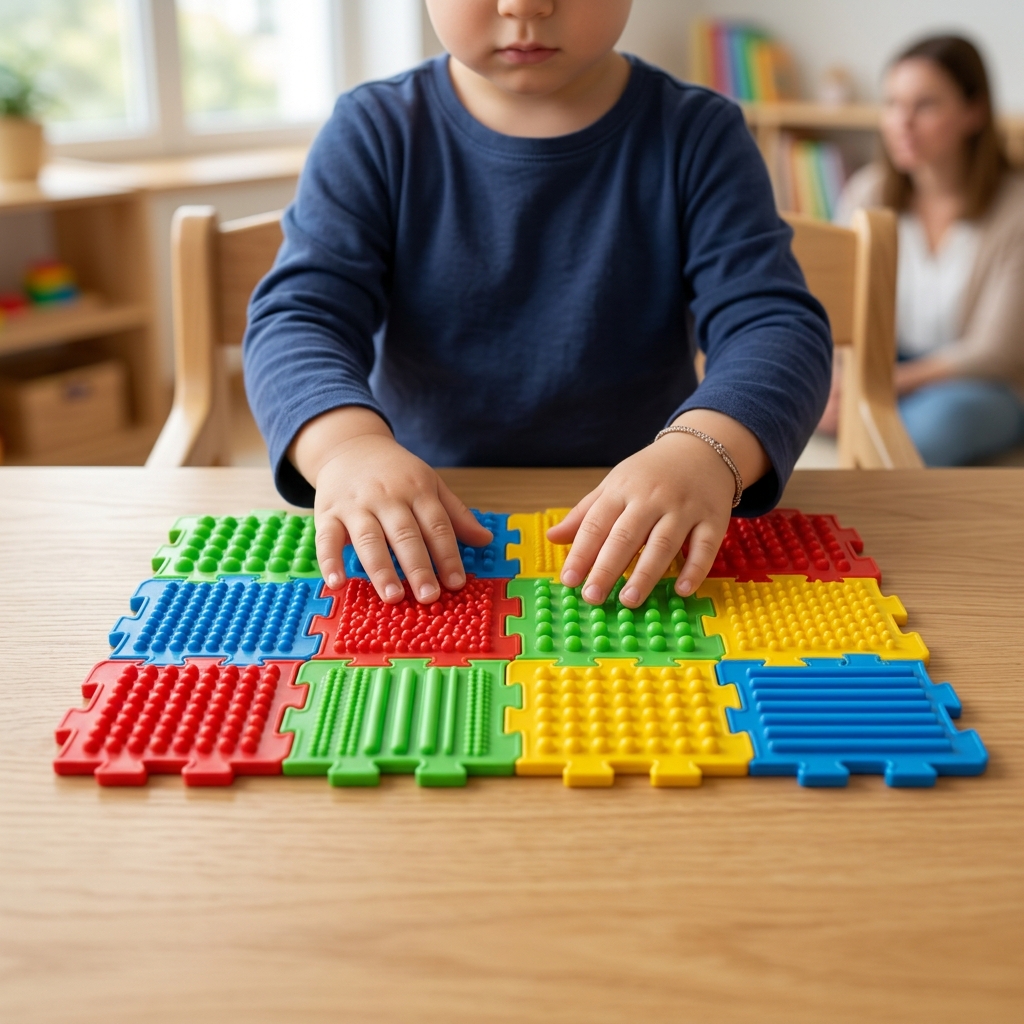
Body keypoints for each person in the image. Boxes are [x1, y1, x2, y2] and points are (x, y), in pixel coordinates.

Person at [243, 0, 831, 611]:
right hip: (423, 515)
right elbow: (300, 318)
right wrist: (344, 450)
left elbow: (773, 325)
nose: (524, 5)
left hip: (649, 516)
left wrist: (704, 449)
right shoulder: (373, 129)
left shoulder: (698, 133)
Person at [832, 35, 1024, 465]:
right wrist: (835, 381)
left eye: (925, 105)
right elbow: (832, 310)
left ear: (974, 112)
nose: (902, 122)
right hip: (887, 364)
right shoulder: (869, 190)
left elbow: (997, 349)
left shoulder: (1016, 210)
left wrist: (885, 384)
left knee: (930, 429)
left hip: (984, 381)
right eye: (893, 104)